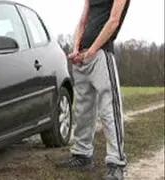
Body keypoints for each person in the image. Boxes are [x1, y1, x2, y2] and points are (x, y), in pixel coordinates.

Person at [59, 0, 130, 180]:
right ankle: (82, 155)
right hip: (81, 57)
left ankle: (116, 164)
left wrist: (91, 51)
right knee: (82, 109)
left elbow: (113, 21)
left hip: (101, 55)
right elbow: (82, 21)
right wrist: (76, 49)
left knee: (109, 110)